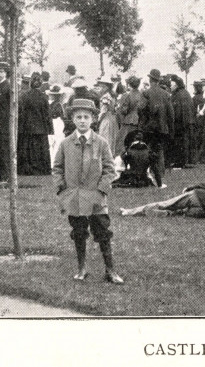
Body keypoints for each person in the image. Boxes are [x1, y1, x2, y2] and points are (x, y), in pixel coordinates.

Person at [52, 98, 123, 283]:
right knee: (78, 232)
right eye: (78, 117)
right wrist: (61, 188)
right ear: (73, 119)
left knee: (103, 232)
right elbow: (57, 168)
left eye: (86, 117)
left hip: (96, 197)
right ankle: (82, 268)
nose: (82, 120)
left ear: (93, 119)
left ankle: (110, 270)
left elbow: (109, 170)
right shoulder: (66, 144)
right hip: (74, 197)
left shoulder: (101, 143)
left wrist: (102, 190)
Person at [139, 68, 173, 188]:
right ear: (158, 80)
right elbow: (170, 113)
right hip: (162, 127)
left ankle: (147, 172)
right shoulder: (165, 94)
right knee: (159, 150)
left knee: (147, 150)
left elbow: (140, 108)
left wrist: (143, 122)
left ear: (150, 79)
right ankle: (160, 173)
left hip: (149, 127)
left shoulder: (146, 93)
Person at [18, 72, 54, 175]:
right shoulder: (43, 98)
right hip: (41, 128)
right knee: (40, 150)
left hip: (27, 128)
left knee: (28, 150)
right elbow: (47, 114)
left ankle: (28, 169)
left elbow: (21, 112)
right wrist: (50, 129)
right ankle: (41, 169)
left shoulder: (24, 96)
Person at [114, 75, 143, 157]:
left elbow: (124, 110)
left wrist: (120, 108)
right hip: (139, 121)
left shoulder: (128, 95)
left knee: (122, 141)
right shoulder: (142, 95)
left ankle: (121, 160)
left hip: (129, 121)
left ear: (129, 84)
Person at [170, 75, 195, 167]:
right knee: (186, 142)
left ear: (176, 85)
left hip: (180, 123)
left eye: (172, 85)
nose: (170, 86)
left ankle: (180, 162)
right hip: (188, 122)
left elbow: (176, 111)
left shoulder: (177, 95)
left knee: (179, 142)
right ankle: (187, 161)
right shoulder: (186, 93)